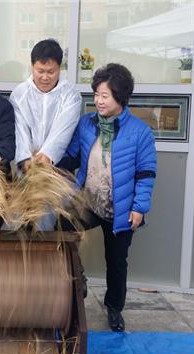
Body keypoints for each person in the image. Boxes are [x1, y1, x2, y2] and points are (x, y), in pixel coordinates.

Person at [59, 63, 157, 332]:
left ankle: (114, 308)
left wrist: (139, 208)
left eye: (105, 96)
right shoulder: (87, 124)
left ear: (121, 98)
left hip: (121, 208)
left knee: (116, 262)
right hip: (89, 201)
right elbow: (72, 156)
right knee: (62, 229)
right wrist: (48, 162)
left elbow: (146, 173)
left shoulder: (139, 132)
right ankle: (77, 281)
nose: (98, 101)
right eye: (97, 94)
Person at [9, 39, 82, 231]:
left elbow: (62, 131)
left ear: (60, 68)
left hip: (57, 169)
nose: (45, 77)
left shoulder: (71, 95)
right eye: (40, 71)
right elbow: (19, 129)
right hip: (26, 168)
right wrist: (25, 159)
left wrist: (47, 156)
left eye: (51, 72)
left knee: (50, 219)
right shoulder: (19, 94)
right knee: (21, 218)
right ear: (32, 66)